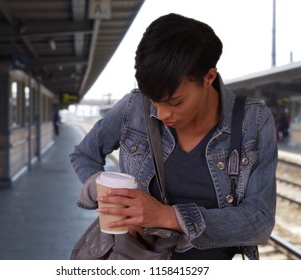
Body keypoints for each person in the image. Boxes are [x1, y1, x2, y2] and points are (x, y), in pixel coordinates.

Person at [69, 13, 277, 260]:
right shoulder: (133, 108)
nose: (162, 113)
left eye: (174, 101)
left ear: (208, 78)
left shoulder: (253, 121)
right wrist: (114, 201)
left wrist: (166, 216)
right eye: (154, 100)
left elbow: (259, 221)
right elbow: (83, 154)